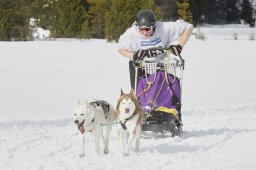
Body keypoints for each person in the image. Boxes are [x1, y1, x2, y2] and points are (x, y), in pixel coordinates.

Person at [118, 10, 193, 90]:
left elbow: (188, 27)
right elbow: (120, 48)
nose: (144, 32)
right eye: (141, 29)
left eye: (147, 29)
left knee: (163, 91)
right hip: (141, 66)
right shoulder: (131, 33)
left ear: (154, 26)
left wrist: (179, 46)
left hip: (161, 65)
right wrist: (133, 56)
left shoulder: (163, 28)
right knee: (139, 94)